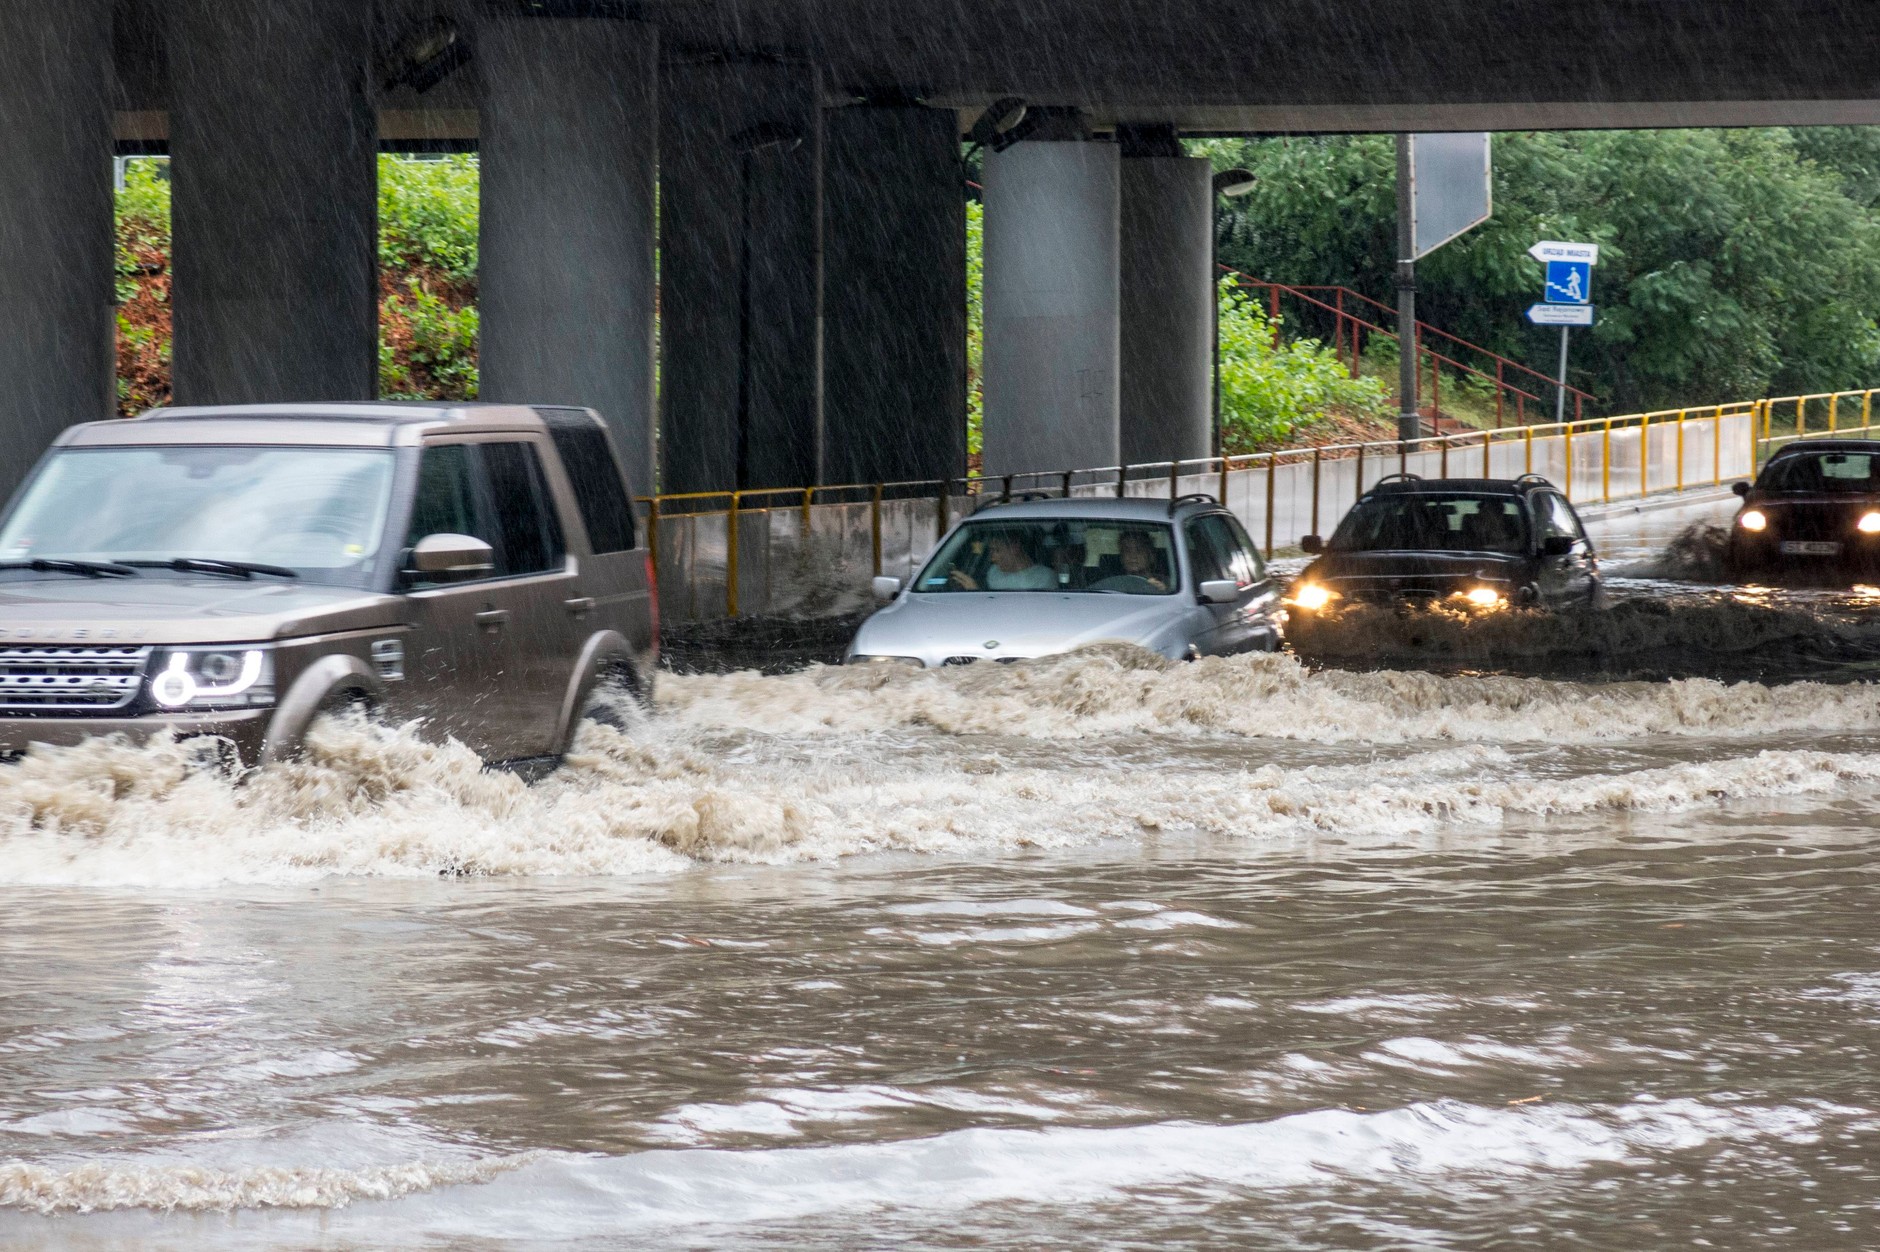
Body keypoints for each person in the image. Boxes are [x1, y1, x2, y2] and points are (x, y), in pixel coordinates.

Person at [949, 529, 1055, 590]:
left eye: (997, 550)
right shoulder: (993, 572)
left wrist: (976, 592)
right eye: (991, 551)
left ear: (1014, 547)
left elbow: (1025, 613)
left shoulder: (1043, 577)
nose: (992, 559)